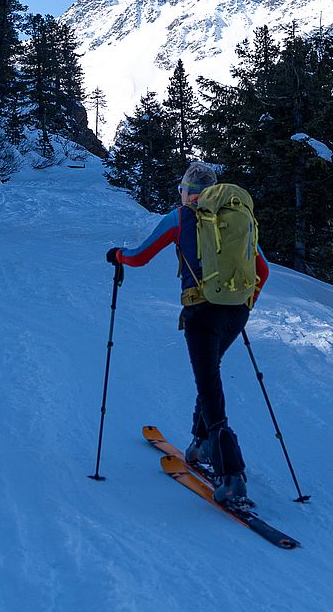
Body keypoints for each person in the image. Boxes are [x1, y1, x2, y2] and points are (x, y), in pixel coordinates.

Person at [106, 162, 269, 507]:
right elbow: (262, 270)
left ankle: (232, 474)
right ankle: (202, 442)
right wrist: (244, 304)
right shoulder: (236, 217)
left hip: (201, 311)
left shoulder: (179, 218)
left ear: (186, 190)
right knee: (209, 374)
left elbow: (138, 257)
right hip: (236, 312)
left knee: (209, 384)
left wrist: (116, 255)